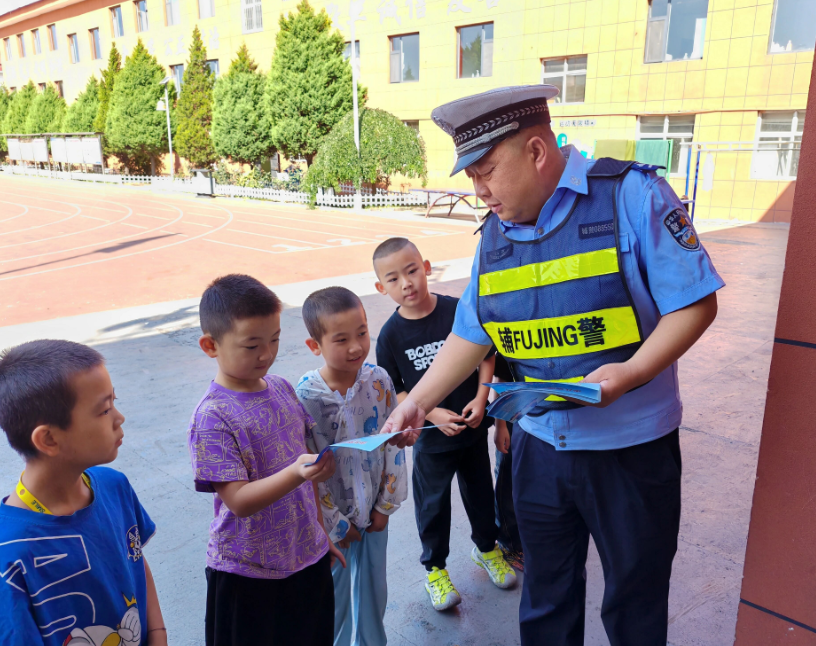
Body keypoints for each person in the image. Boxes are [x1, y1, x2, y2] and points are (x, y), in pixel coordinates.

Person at [382, 85, 723, 645]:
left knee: (635, 606)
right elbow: (473, 332)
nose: (479, 190)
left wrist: (632, 373)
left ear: (537, 151)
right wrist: (416, 401)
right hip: (540, 448)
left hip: (630, 452)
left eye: (487, 170)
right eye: (471, 177)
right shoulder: (493, 233)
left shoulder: (632, 196)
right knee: (545, 601)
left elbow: (695, 302)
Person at [187, 274, 344, 646]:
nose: (266, 354)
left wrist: (319, 534)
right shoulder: (213, 416)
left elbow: (307, 480)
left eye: (274, 339)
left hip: (306, 557)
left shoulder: (281, 387)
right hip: (247, 573)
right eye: (251, 345)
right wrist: (296, 472)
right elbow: (238, 501)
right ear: (211, 345)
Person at [373, 237, 516, 612]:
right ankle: (435, 569)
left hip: (471, 434)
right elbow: (398, 392)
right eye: (393, 278)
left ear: (426, 267)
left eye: (411, 270)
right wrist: (431, 411)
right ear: (380, 287)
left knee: (481, 497)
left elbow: (486, 352)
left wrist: (480, 399)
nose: (406, 283)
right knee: (433, 507)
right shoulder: (390, 336)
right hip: (432, 444)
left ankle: (487, 549)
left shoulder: (455, 310)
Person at [0, 339, 167, 646]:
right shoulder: (10, 553)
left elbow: (136, 560)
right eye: (104, 410)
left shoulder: (114, 487)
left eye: (114, 402)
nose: (119, 417)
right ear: (49, 439)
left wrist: (158, 635)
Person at [296, 286, 407, 646]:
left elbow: (393, 445)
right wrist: (333, 523)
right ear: (315, 346)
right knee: (334, 601)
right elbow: (307, 472)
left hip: (374, 512)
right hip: (330, 528)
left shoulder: (379, 381)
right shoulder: (306, 398)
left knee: (375, 591)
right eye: (341, 339)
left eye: (362, 332)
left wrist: (386, 506)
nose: (357, 346)